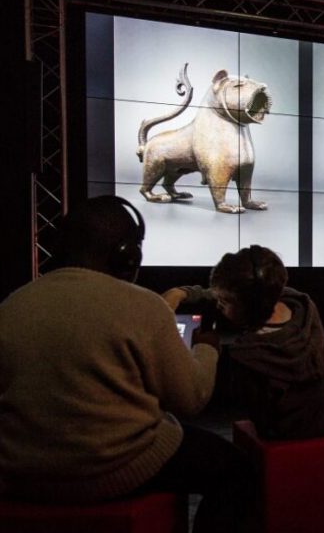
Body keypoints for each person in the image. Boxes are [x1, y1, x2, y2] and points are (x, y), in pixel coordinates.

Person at [0, 196, 252, 532]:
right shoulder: (144, 307)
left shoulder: (12, 305)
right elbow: (191, 398)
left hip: (21, 476)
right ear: (127, 255)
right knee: (237, 471)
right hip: (114, 468)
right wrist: (207, 348)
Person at [163, 244, 324, 475]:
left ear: (246, 307)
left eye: (224, 303)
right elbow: (258, 291)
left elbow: (256, 410)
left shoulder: (246, 353)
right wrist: (188, 292)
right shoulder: (304, 307)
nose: (218, 306)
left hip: (288, 428)